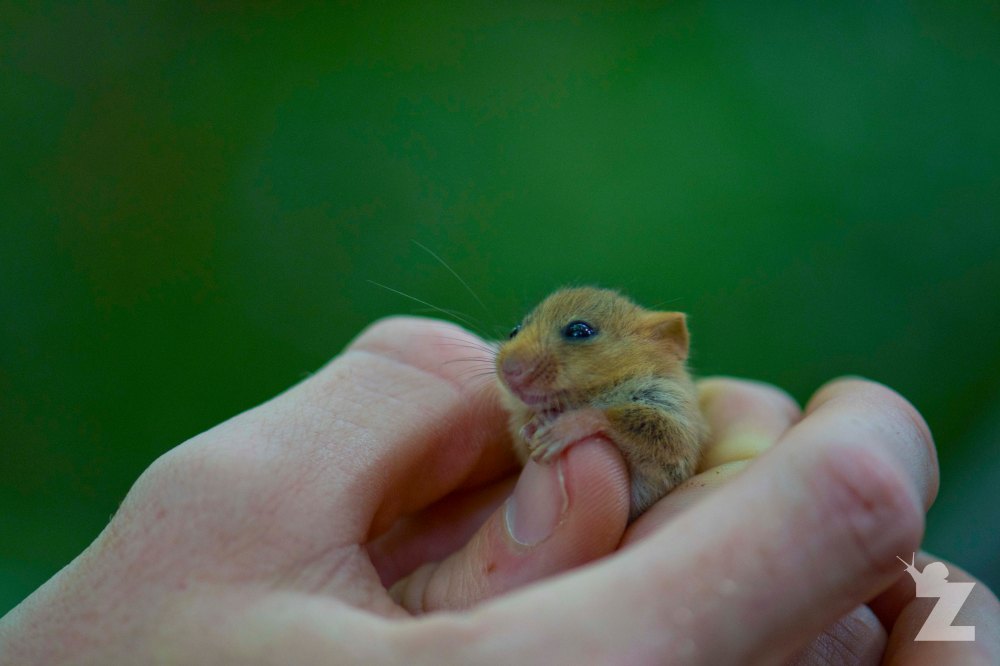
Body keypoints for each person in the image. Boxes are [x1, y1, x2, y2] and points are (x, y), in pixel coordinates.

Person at [0, 317, 996, 664]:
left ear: (658, 344)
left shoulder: (660, 405)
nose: (523, 351)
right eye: (526, 332)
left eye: (570, 337)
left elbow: (660, 440)